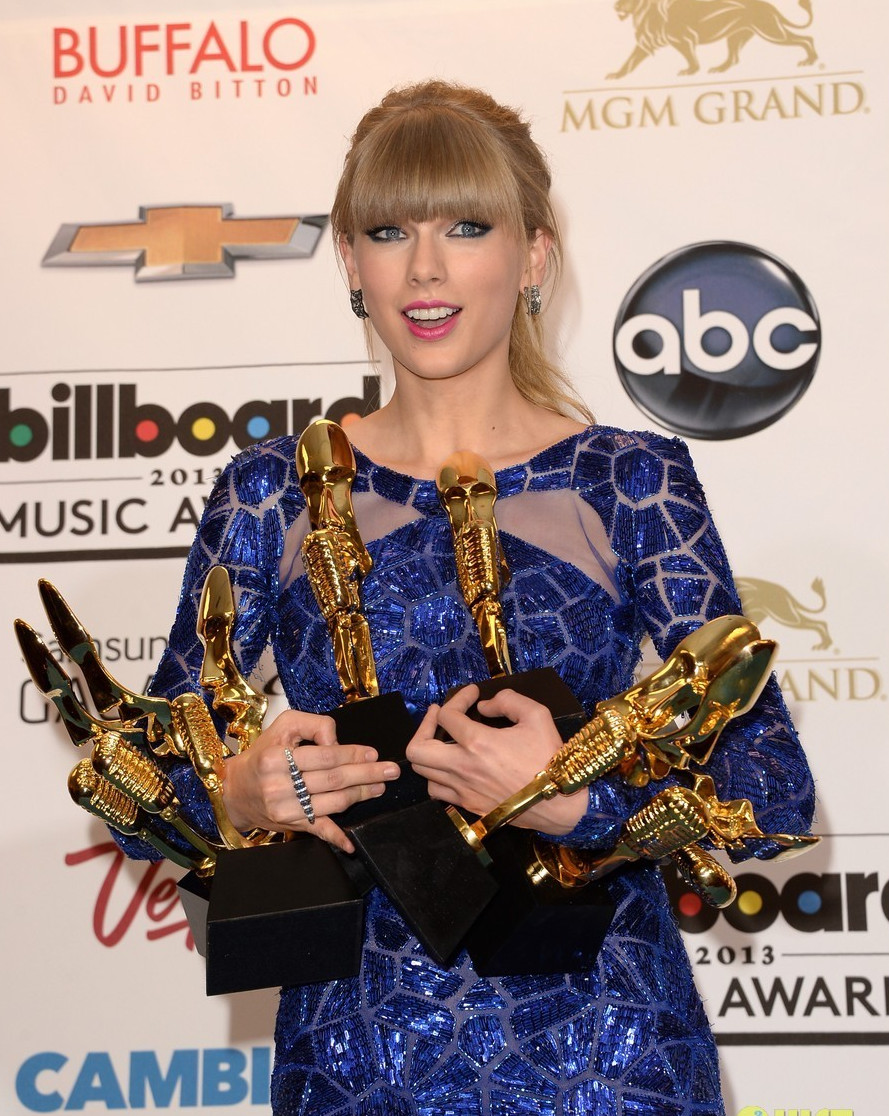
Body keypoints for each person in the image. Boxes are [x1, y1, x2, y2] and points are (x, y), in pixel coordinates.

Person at [123, 81, 815, 1115]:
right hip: (358, 1060)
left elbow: (771, 790)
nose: (427, 267)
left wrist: (579, 794)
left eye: (467, 225)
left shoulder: (624, 482)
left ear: (534, 256)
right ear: (352, 263)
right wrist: (237, 793)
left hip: (605, 1053)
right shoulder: (270, 494)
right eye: (390, 230)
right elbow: (138, 784)